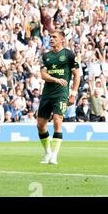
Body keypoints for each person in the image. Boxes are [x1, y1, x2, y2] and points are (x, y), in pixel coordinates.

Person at [37, 29, 80, 165]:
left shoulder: (69, 55)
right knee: (40, 125)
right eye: (50, 37)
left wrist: (73, 93)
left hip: (61, 94)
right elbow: (43, 75)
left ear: (62, 39)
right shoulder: (46, 56)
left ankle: (54, 155)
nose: (51, 39)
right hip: (47, 93)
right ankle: (48, 152)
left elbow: (77, 75)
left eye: (54, 37)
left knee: (57, 120)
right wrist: (55, 79)